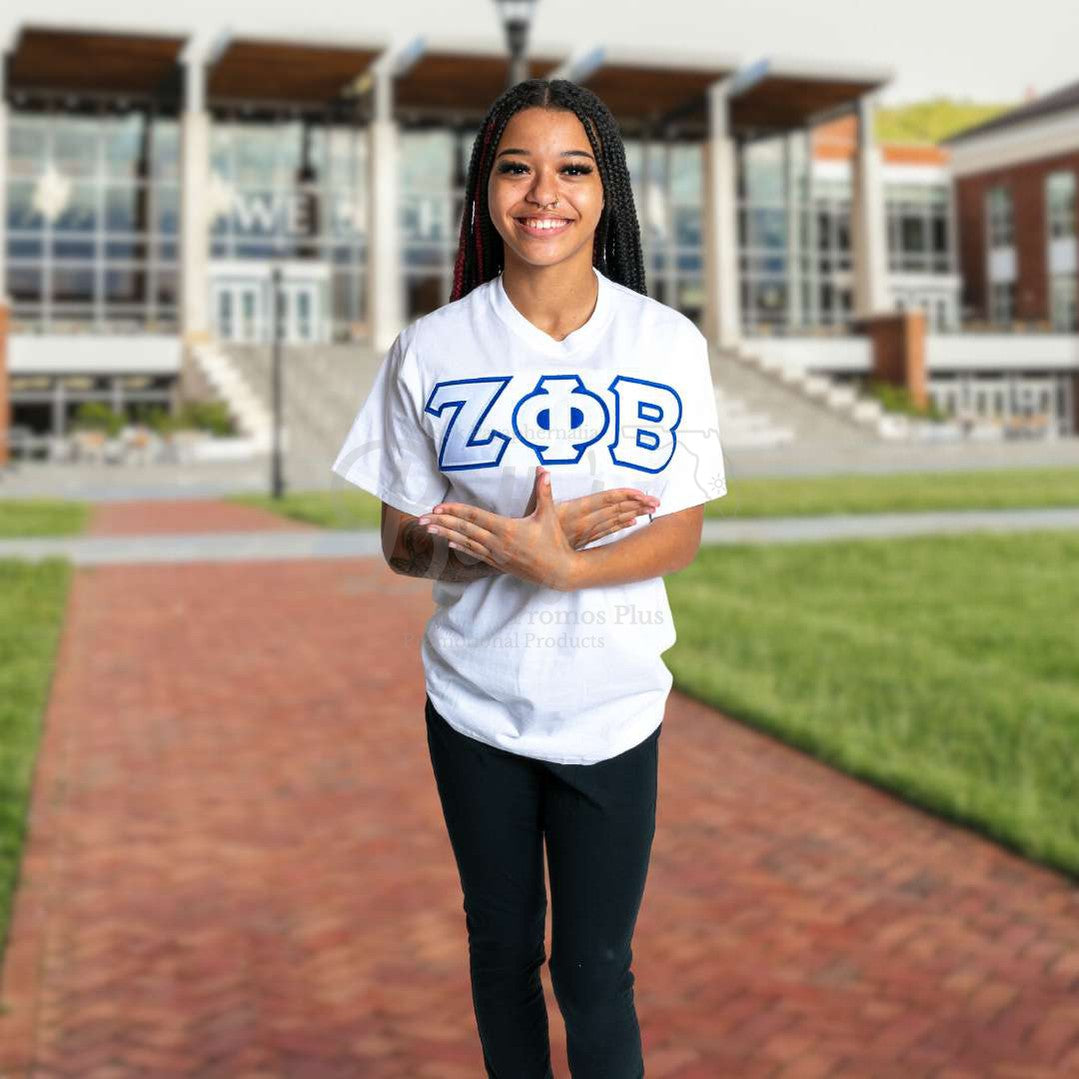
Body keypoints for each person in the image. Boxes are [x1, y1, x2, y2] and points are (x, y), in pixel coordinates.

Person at [331, 78, 727, 1079]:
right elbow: (397, 541)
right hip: (474, 703)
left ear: (605, 193)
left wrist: (559, 564)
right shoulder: (429, 348)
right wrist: (480, 547)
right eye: (515, 166)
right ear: (483, 190)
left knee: (595, 973)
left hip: (612, 703)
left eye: (571, 168)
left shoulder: (664, 343)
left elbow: (678, 533)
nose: (540, 191)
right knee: (502, 954)